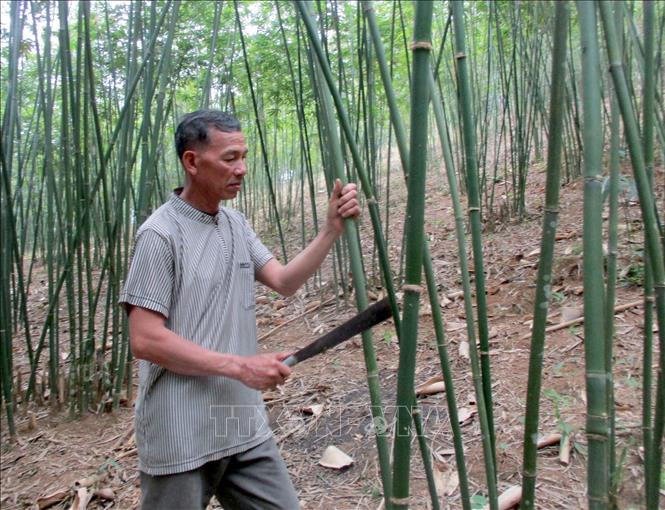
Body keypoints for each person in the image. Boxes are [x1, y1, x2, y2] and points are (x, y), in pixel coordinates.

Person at [119, 109, 360, 509]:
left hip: (240, 423)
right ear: (192, 162)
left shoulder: (235, 224)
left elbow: (284, 281)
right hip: (182, 430)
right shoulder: (159, 235)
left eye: (244, 157)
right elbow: (145, 339)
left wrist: (330, 229)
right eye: (230, 158)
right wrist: (240, 366)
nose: (242, 169)